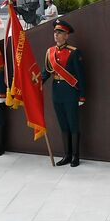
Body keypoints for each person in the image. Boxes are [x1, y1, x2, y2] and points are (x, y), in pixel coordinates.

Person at [43, 19, 85, 166]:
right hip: (57, 93)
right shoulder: (50, 52)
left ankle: (75, 156)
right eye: (55, 32)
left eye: (60, 33)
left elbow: (80, 76)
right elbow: (46, 73)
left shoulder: (73, 52)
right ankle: (66, 154)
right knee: (63, 125)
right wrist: (35, 83)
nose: (56, 35)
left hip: (70, 93)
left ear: (66, 36)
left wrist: (82, 95)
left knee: (73, 124)